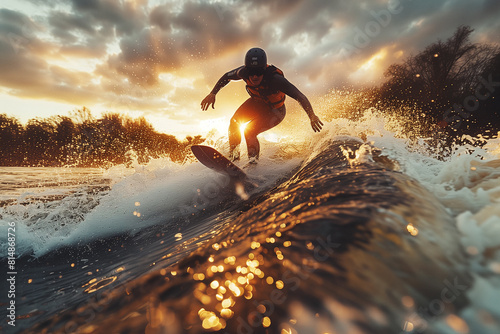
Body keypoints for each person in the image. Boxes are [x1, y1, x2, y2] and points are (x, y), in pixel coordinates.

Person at [201, 47, 323, 162]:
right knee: (234, 123)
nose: (254, 76)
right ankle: (234, 159)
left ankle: (253, 164)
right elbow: (227, 76)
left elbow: (299, 96)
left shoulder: (275, 79)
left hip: (276, 111)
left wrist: (312, 116)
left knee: (249, 132)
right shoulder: (242, 72)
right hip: (257, 104)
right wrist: (213, 93)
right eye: (251, 72)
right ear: (247, 69)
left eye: (258, 72)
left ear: (264, 69)